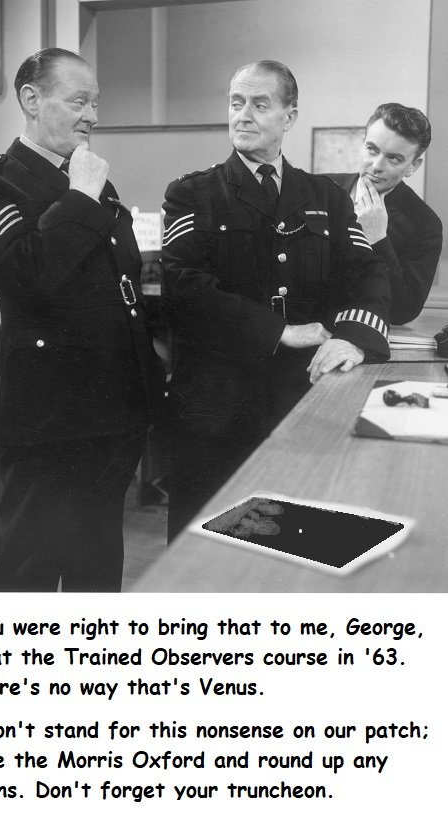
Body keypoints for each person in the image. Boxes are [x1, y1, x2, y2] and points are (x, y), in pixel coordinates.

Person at [0, 48, 163, 592]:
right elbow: (26, 278)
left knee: (98, 565)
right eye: (78, 101)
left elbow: (120, 289)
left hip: (113, 409)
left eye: (95, 102)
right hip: (48, 414)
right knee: (31, 570)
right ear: (31, 99)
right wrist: (82, 196)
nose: (91, 115)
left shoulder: (93, 182)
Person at [162, 60, 391, 540]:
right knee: (202, 547)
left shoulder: (325, 195)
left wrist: (351, 338)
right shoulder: (192, 193)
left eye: (260, 104)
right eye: (236, 103)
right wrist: (278, 331)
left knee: (289, 541)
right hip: (215, 405)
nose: (243, 115)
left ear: (290, 117)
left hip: (298, 398)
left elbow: (366, 272)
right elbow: (184, 286)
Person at [329, 103, 442, 325]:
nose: (377, 165)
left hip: (363, 334)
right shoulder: (321, 187)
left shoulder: (425, 223)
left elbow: (404, 311)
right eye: (372, 149)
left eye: (394, 158)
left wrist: (378, 239)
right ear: (362, 144)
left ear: (413, 166)